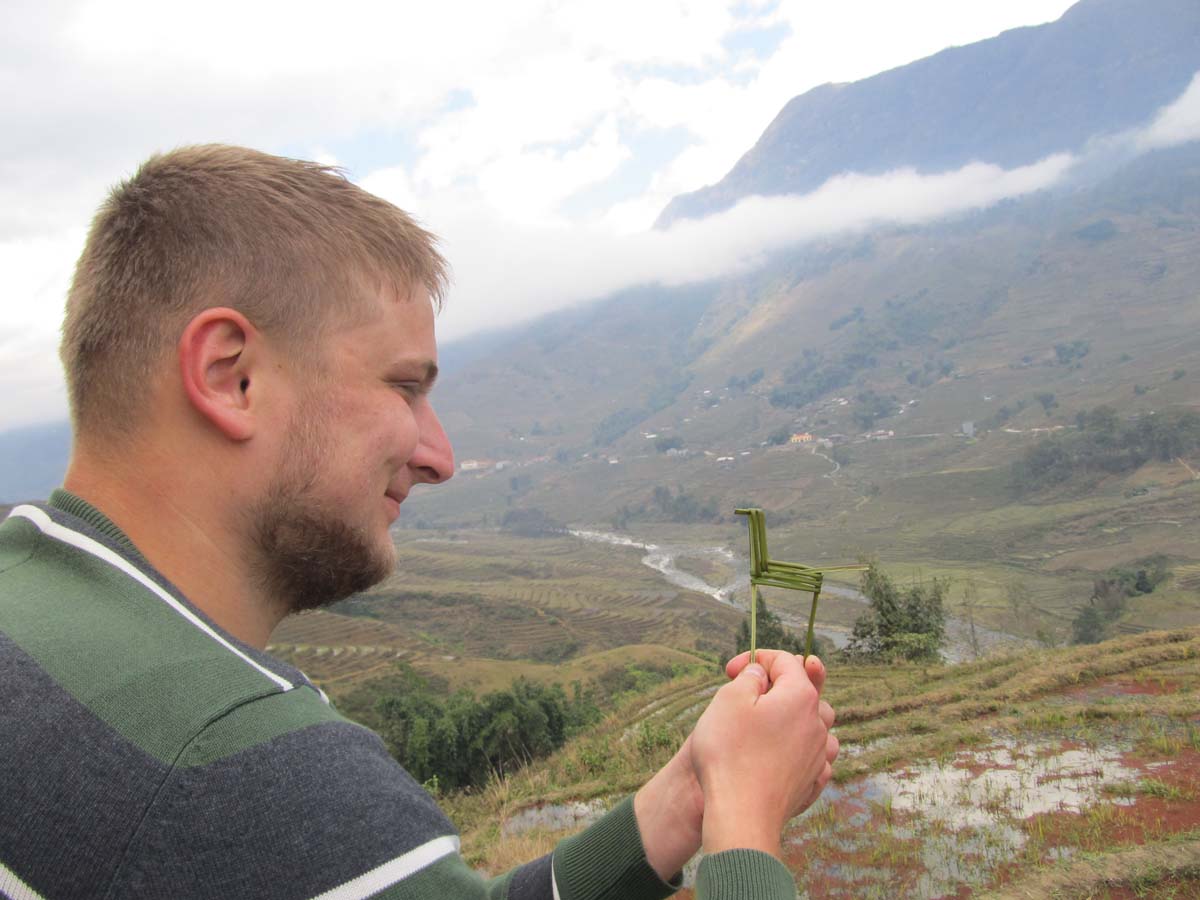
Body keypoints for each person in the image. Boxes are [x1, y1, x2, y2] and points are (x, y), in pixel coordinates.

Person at [0, 145, 838, 900]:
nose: (440, 457)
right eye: (404, 386)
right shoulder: (251, 771)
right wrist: (744, 822)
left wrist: (680, 803)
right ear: (231, 376)